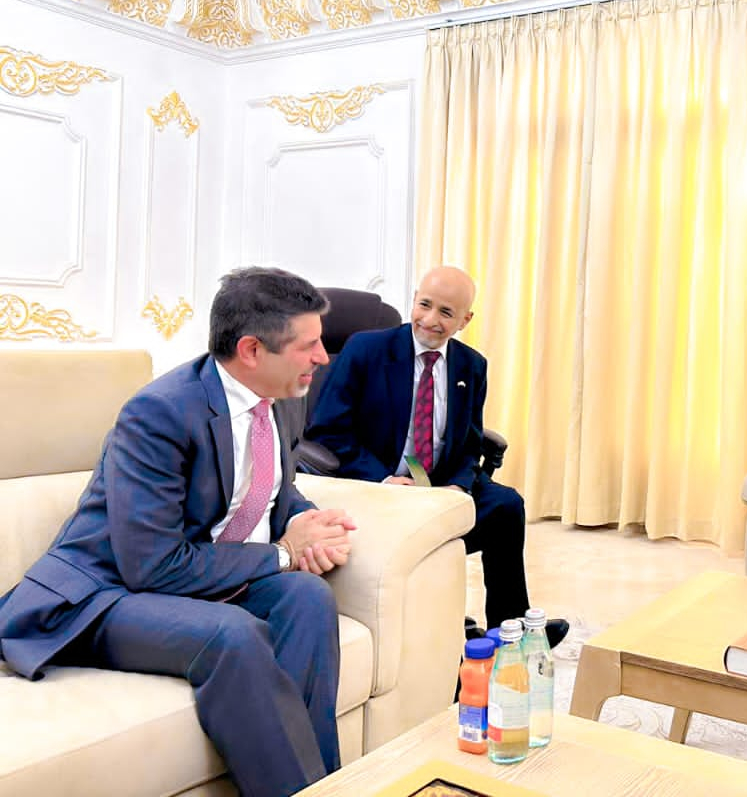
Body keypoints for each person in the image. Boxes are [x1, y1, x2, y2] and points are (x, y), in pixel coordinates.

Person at [0, 267, 357, 797]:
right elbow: (153, 565)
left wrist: (306, 521)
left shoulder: (282, 397)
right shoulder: (159, 414)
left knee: (307, 598)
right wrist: (282, 554)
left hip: (191, 579)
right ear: (252, 350)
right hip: (104, 593)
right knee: (232, 634)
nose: (323, 358)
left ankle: (327, 787)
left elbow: (267, 488)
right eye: (308, 346)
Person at [306, 265, 569, 647]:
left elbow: (470, 443)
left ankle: (509, 632)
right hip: (378, 484)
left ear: (465, 320)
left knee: (506, 506)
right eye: (425, 305)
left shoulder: (471, 366)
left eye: (446, 312)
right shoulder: (366, 349)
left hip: (436, 484)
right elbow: (327, 431)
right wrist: (383, 479)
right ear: (414, 300)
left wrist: (458, 487)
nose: (430, 320)